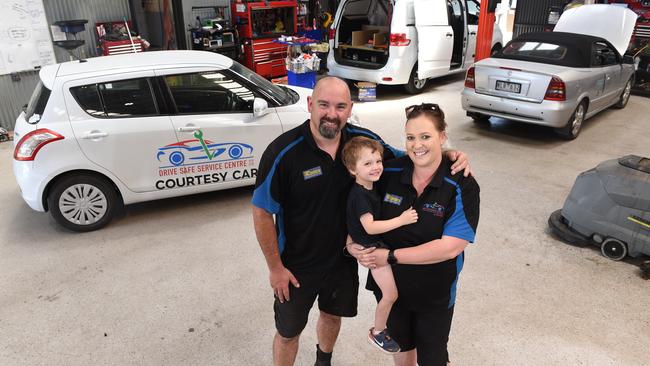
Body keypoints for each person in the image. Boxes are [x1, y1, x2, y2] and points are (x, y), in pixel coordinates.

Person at [251, 77, 471, 366]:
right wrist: (275, 268)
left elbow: (408, 158)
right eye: (324, 105)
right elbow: (262, 212)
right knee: (288, 332)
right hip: (296, 265)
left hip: (343, 262)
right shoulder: (284, 152)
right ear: (309, 105)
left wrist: (448, 154)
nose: (332, 113)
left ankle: (323, 361)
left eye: (340, 106)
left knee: (332, 316)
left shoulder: (362, 144)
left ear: (350, 108)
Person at [349, 103, 480, 366]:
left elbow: (450, 248)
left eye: (425, 136)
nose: (417, 145)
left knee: (433, 358)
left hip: (434, 292)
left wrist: (391, 256)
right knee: (402, 350)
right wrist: (351, 244)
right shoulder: (389, 171)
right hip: (392, 288)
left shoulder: (461, 183)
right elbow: (358, 208)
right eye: (410, 137)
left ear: (442, 136)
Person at [341, 136, 418, 354]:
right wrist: (401, 220)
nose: (376, 167)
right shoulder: (360, 196)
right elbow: (370, 227)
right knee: (390, 294)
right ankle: (378, 331)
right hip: (372, 250)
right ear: (352, 169)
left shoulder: (368, 187)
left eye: (378, 161)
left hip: (375, 245)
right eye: (367, 164)